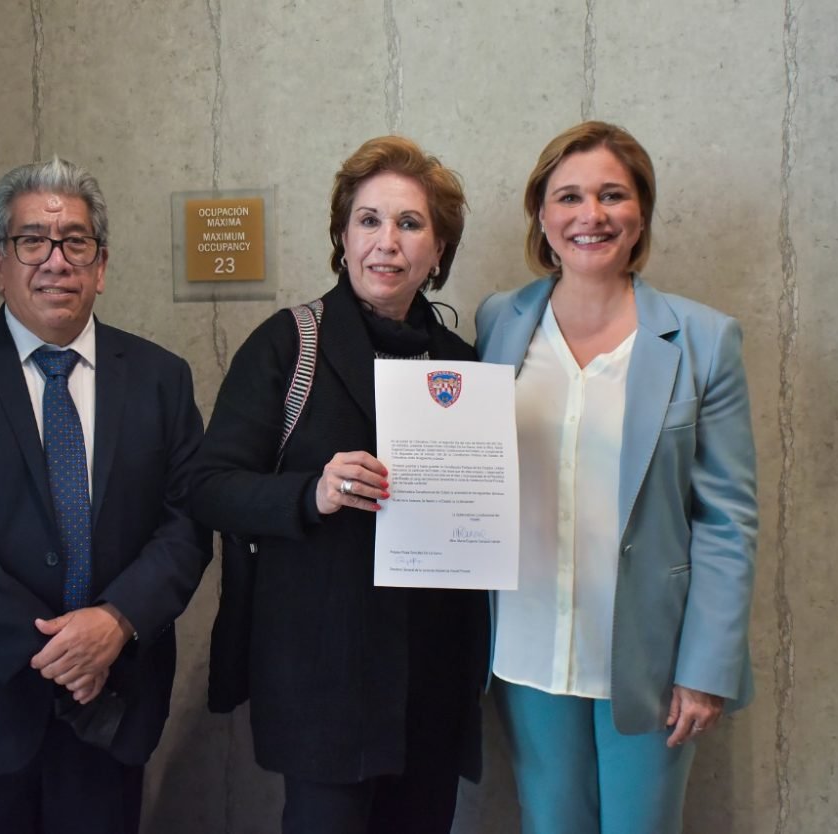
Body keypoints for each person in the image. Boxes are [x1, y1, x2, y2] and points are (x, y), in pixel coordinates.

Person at [0, 157, 211, 834]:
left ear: (101, 265)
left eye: (75, 242)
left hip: (110, 705)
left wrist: (115, 621)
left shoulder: (161, 379)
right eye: (32, 241)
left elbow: (188, 522)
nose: (55, 261)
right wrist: (54, 650)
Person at [189, 136, 489, 834]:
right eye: (369, 220)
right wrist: (310, 493)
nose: (387, 242)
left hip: (432, 678)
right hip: (322, 675)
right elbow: (208, 486)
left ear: (439, 250)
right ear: (343, 237)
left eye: (410, 223)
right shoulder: (289, 344)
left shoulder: (464, 366)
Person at [476, 121, 758, 834]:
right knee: (549, 823)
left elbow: (727, 520)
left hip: (650, 658)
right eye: (569, 196)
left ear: (641, 212)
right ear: (542, 215)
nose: (591, 215)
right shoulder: (499, 322)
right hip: (525, 644)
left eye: (612, 195)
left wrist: (707, 668)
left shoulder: (703, 339)